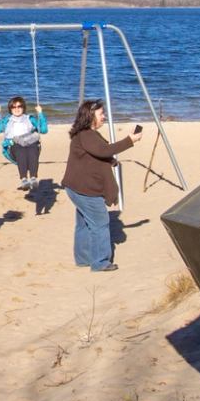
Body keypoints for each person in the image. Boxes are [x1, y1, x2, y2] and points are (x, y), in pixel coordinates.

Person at [61, 98, 139, 273]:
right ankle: (100, 262)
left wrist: (111, 161)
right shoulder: (86, 134)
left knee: (84, 223)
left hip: (76, 187)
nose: (104, 116)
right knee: (100, 222)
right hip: (84, 189)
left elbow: (96, 153)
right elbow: (103, 150)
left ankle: (83, 259)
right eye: (101, 114)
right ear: (90, 116)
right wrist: (130, 140)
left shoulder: (87, 134)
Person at [0, 95, 49, 190]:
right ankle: (24, 179)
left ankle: (33, 178)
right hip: (14, 146)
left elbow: (43, 130)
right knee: (20, 149)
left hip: (30, 143)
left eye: (19, 106)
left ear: (23, 107)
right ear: (10, 109)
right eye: (14, 107)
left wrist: (41, 113)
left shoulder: (30, 119)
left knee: (33, 148)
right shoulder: (7, 121)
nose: (16, 109)